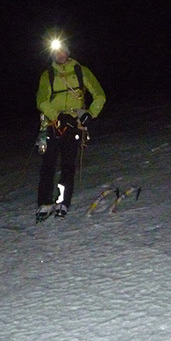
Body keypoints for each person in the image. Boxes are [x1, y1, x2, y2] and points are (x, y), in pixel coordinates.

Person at [35, 39, 105, 221]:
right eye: (56, 52)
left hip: (74, 123)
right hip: (53, 124)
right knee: (47, 165)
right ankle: (45, 202)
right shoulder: (48, 75)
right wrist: (56, 116)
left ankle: (62, 202)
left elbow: (99, 95)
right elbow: (41, 100)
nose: (60, 55)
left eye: (63, 51)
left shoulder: (81, 71)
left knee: (68, 165)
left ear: (68, 52)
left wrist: (90, 113)